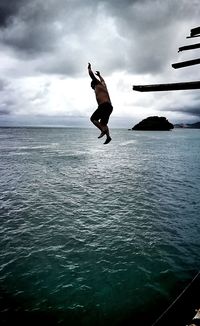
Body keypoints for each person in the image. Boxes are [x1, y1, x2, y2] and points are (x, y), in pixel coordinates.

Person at [88, 63, 113, 144]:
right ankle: (108, 137)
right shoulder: (103, 85)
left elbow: (91, 76)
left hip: (104, 105)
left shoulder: (97, 84)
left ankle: (103, 130)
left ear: (93, 84)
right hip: (109, 107)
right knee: (103, 123)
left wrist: (89, 69)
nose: (93, 89)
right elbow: (103, 81)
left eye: (92, 87)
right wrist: (100, 75)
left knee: (93, 119)